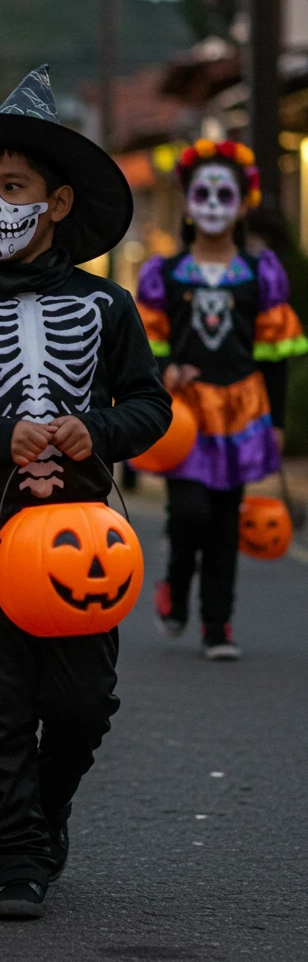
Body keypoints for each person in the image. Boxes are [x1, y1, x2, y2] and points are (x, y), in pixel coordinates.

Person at [0, 66, 171, 919]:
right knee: (0, 699)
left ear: (54, 204)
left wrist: (104, 428)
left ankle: (46, 811)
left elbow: (152, 406)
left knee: (83, 700)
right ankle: (15, 854)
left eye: (12, 187)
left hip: (85, 523)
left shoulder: (108, 305)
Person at [135, 139, 307, 659]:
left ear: (242, 201)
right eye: (202, 192)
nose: (212, 202)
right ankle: (175, 583)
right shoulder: (163, 273)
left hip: (242, 412)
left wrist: (276, 422)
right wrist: (166, 371)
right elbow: (148, 345)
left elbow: (274, 356)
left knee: (226, 518)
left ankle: (217, 625)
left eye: (223, 192)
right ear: (188, 201)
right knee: (189, 514)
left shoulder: (262, 273)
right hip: (186, 417)